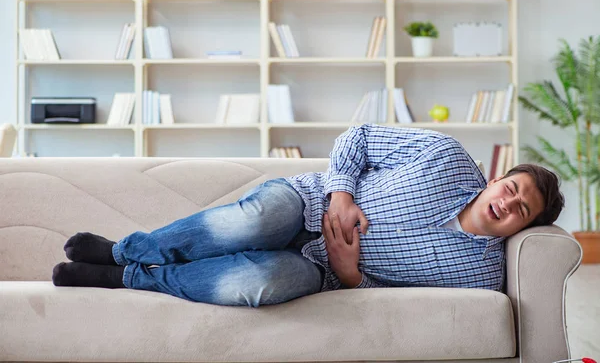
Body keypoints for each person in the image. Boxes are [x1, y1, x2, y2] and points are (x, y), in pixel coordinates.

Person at [52, 124, 565, 307]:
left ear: (522, 226)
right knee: (251, 224)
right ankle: (125, 249)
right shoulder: (445, 156)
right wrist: (341, 193)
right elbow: (358, 137)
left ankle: (131, 278)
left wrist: (351, 276)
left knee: (256, 287)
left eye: (522, 211)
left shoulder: (481, 274)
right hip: (307, 201)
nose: (509, 203)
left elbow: (403, 301)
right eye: (513, 188)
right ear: (498, 178)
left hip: (322, 273)